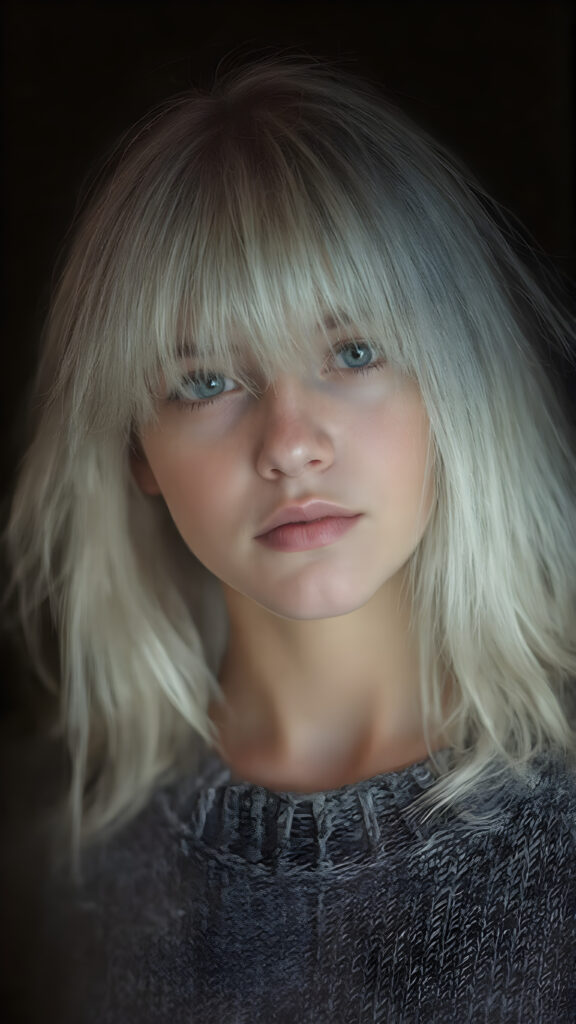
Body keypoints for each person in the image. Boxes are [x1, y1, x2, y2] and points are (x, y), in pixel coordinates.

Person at [3, 55, 576, 1023]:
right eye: (206, 381)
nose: (290, 444)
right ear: (135, 448)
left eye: (353, 352)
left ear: (456, 385)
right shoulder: (56, 862)